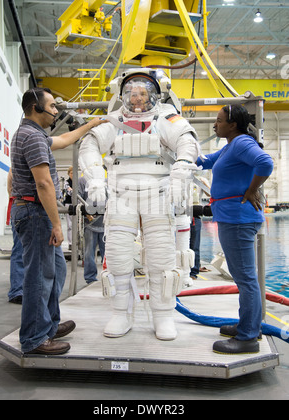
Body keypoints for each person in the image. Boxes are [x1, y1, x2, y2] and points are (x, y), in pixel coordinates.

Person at [79, 69, 200, 341]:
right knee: (119, 257)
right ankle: (121, 313)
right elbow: (89, 145)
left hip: (158, 193)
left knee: (161, 259)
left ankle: (163, 315)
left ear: (154, 94)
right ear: (123, 95)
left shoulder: (166, 117)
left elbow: (187, 142)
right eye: (131, 92)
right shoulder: (114, 120)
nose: (137, 97)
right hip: (121, 195)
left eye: (143, 92)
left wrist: (181, 170)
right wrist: (96, 178)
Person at [10, 87, 106, 355]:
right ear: (35, 108)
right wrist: (56, 224)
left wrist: (91, 124)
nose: (56, 111)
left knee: (55, 271)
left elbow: (64, 140)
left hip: (34, 212)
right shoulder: (32, 137)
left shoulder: (34, 134)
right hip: (35, 213)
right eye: (52, 106)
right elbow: (43, 184)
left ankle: (48, 325)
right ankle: (34, 338)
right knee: (38, 277)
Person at [196, 104, 274, 355]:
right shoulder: (229, 146)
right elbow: (204, 162)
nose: (215, 125)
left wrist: (251, 190)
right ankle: (248, 324)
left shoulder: (241, 143)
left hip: (238, 219)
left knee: (246, 279)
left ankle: (248, 336)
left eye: (219, 121)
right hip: (231, 218)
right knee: (245, 278)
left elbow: (265, 162)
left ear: (233, 125)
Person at [78, 176, 105, 284]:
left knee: (108, 253)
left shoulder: (105, 180)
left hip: (105, 223)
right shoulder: (83, 181)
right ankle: (90, 278)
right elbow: (77, 197)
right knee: (89, 252)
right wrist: (86, 213)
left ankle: (108, 276)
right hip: (89, 223)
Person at [7, 168, 24, 304]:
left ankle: (19, 289)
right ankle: (17, 290)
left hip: (19, 206)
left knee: (20, 251)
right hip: (22, 206)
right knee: (19, 251)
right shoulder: (15, 168)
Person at [63, 166, 73, 249]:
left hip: (77, 204)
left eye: (74, 173)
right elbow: (70, 192)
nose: (72, 174)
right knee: (70, 225)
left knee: (77, 225)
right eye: (71, 173)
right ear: (68, 174)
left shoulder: (79, 181)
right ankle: (70, 243)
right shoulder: (66, 182)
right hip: (69, 204)